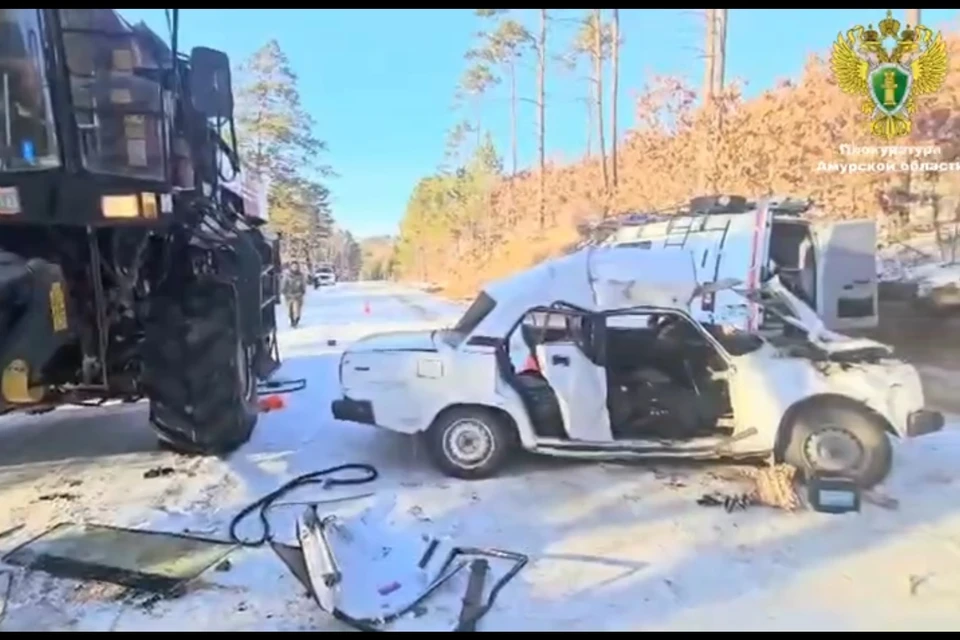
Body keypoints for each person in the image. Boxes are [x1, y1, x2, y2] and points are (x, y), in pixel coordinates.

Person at [282, 262, 307, 328]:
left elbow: (303, 284)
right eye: (293, 266)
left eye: (296, 266)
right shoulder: (287, 275)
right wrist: (283, 290)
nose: (295, 268)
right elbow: (284, 283)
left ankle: (296, 320)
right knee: (290, 310)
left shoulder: (300, 275)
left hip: (298, 295)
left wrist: (303, 290)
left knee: (297, 309)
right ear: (291, 267)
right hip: (289, 295)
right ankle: (292, 320)